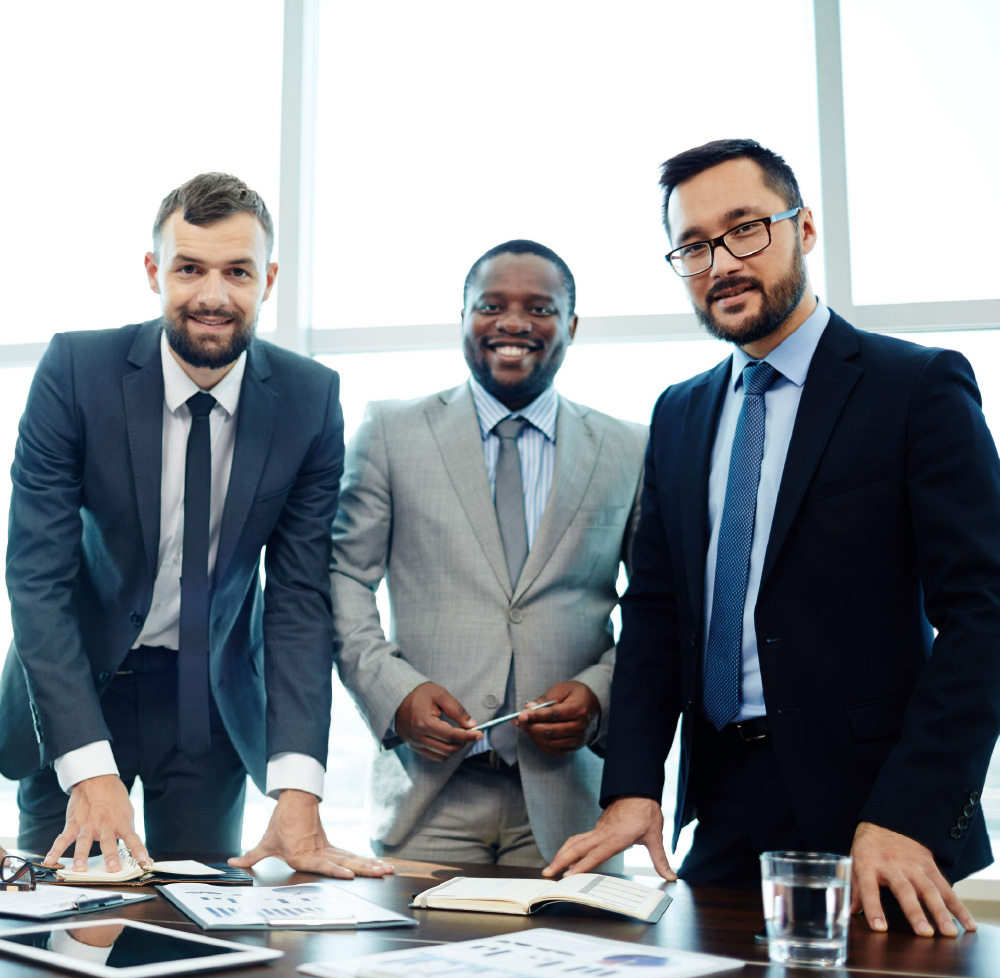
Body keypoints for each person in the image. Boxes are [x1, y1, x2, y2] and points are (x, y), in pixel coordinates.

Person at [544, 139, 1000, 937]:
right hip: (721, 813)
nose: (720, 261)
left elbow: (985, 614)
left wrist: (910, 811)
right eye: (693, 245)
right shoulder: (681, 412)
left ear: (805, 228)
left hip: (875, 817)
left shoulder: (916, 387)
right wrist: (632, 791)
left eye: (745, 228)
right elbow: (653, 614)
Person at [0, 172, 390, 881]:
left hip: (207, 699)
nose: (213, 296)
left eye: (237, 271)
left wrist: (299, 786)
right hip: (77, 684)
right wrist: (88, 767)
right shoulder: (75, 371)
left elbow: (298, 598)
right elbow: (36, 579)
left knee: (200, 928)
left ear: (267, 279)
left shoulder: (310, 399)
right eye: (189, 268)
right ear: (154, 271)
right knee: (56, 927)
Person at [330, 240, 647, 866]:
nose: (513, 323)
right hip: (427, 800)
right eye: (491, 305)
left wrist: (600, 694)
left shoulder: (630, 447)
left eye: (540, 308)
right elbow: (343, 576)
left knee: (573, 963)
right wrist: (395, 692)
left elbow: (655, 606)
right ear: (465, 317)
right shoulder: (391, 431)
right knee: (416, 966)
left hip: (571, 805)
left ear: (572, 326)